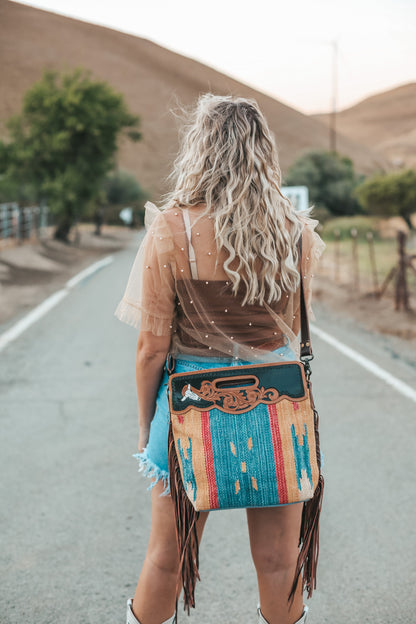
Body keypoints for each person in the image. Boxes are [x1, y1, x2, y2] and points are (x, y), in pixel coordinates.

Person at [115, 93, 325, 624]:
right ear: (263, 151)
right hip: (277, 412)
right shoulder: (292, 232)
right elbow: (291, 335)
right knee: (280, 561)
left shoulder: (170, 229)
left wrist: (147, 427)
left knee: (168, 559)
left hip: (189, 415)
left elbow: (151, 349)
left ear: (201, 149)